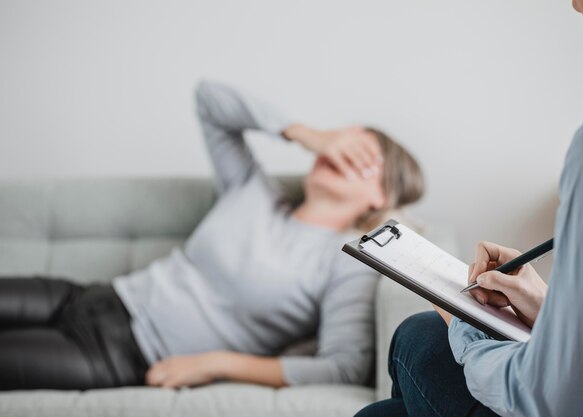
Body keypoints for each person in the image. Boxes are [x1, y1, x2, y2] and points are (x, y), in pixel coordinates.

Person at [0, 81, 424, 391]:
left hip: (115, 356)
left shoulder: (347, 262)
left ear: (381, 194)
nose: (342, 153)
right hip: (87, 296)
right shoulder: (253, 192)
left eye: (364, 157)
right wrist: (305, 133)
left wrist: (217, 363)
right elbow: (209, 99)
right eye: (343, 142)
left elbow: (344, 367)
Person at [355, 1, 583, 416]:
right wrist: (547, 307)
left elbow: (550, 400)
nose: (574, 3)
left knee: (420, 337)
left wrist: (463, 323)